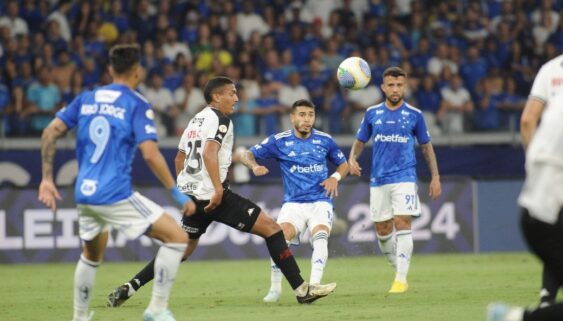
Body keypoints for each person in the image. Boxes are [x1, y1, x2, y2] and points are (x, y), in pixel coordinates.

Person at [106, 77, 337, 308]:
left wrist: (184, 191)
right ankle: (301, 290)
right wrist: (217, 189)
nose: (236, 98)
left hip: (194, 198)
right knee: (273, 230)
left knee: (181, 249)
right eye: (232, 93)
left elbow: (179, 158)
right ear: (217, 97)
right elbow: (209, 154)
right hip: (215, 196)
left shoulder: (195, 120)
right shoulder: (221, 120)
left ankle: (132, 285)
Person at [37, 44, 195, 321]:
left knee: (91, 254)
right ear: (138, 71)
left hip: (84, 195)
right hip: (114, 194)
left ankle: (80, 317)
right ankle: (157, 308)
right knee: (177, 238)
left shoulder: (85, 99)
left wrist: (47, 179)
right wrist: (174, 191)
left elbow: (50, 132)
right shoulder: (136, 104)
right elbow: (149, 153)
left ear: (110, 70)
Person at [240, 99, 349, 303]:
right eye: (302, 114)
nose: (307, 119)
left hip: (320, 201)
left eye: (310, 115)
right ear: (292, 118)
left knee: (320, 235)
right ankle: (275, 289)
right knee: (280, 240)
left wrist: (335, 178)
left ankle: (314, 285)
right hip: (293, 204)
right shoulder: (279, 141)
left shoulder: (325, 140)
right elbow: (246, 154)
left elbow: (344, 165)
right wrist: (254, 166)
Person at [348, 66, 441, 294]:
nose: (395, 89)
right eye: (391, 85)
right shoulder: (372, 113)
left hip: (405, 177)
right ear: (383, 87)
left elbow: (427, 148)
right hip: (378, 179)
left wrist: (435, 177)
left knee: (402, 222)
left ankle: (400, 279)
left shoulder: (415, 115)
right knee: (382, 229)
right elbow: (360, 141)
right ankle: (398, 268)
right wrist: (351, 158)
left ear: (405, 86)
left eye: (399, 85)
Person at [486, 89, 563, 321]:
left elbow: (527, 121)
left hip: (539, 207)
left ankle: (514, 317)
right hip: (555, 210)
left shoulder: (561, 90)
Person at [519, 52, 563, 308]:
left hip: (536, 199)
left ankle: (543, 301)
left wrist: (535, 163)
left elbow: (528, 120)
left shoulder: (551, 69)